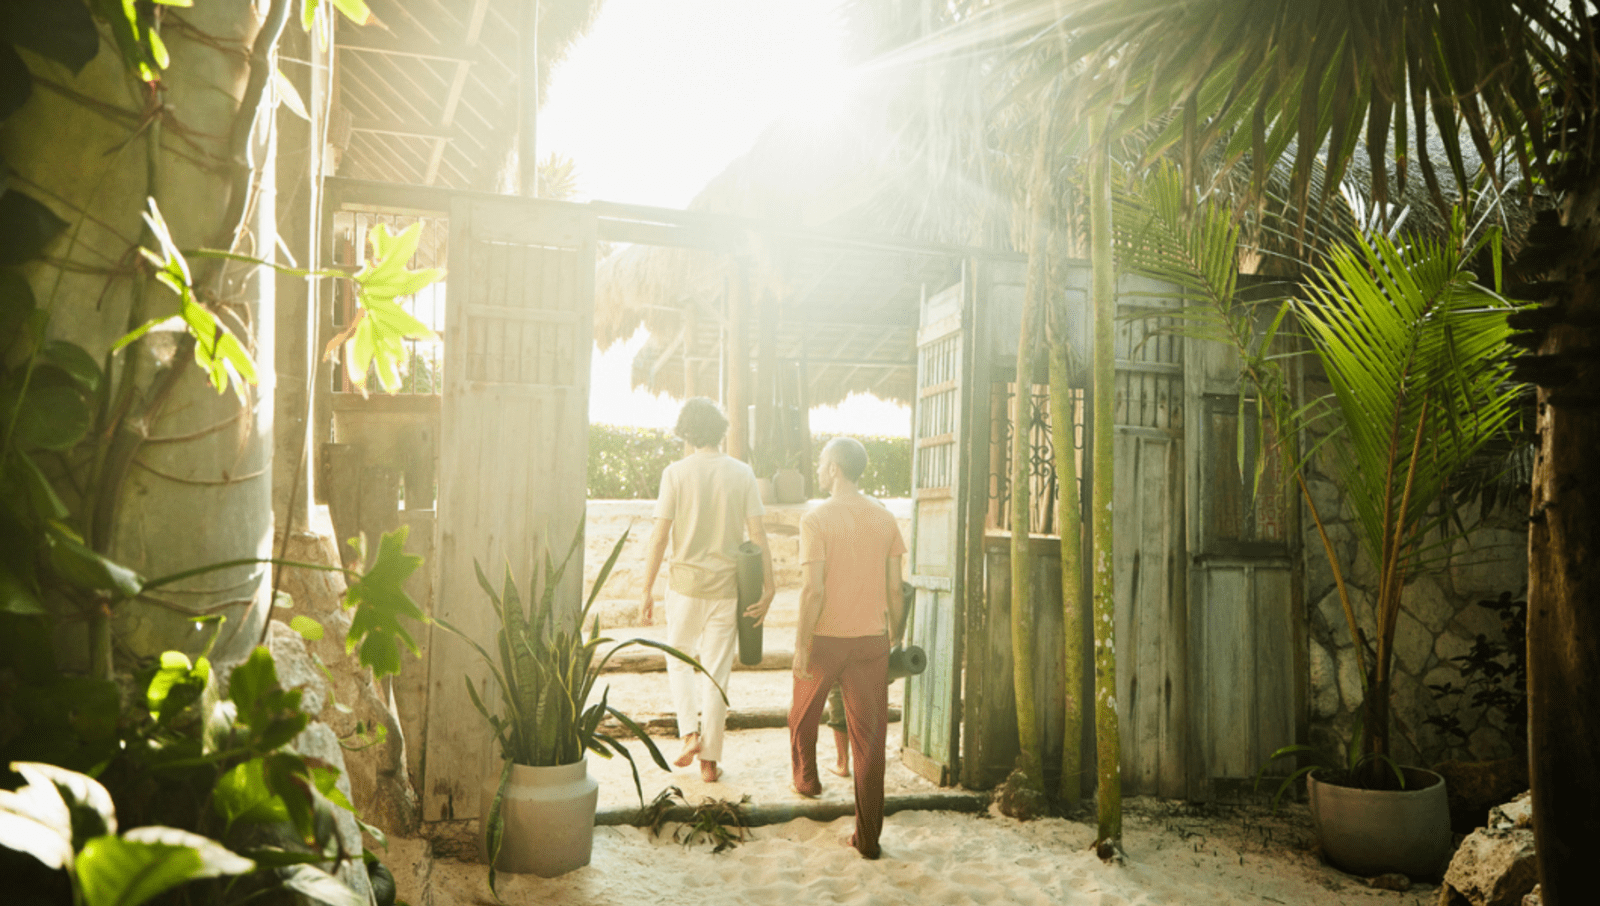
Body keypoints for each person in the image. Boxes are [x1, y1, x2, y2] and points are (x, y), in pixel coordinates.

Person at [641, 398, 775, 783]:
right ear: (720, 431)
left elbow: (660, 536)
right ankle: (710, 762)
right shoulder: (742, 473)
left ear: (687, 433)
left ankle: (689, 736)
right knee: (717, 671)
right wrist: (771, 584)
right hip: (726, 588)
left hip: (684, 587)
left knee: (679, 659)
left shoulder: (675, 473)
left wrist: (646, 589)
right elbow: (758, 533)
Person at [789, 437, 906, 859]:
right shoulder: (885, 519)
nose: (819, 468)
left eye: (821, 462)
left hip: (825, 638)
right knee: (870, 741)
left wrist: (802, 644)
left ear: (835, 468)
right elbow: (895, 587)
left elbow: (811, 590)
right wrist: (896, 633)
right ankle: (868, 838)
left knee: (802, 712)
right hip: (871, 640)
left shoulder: (816, 520)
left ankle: (806, 780)